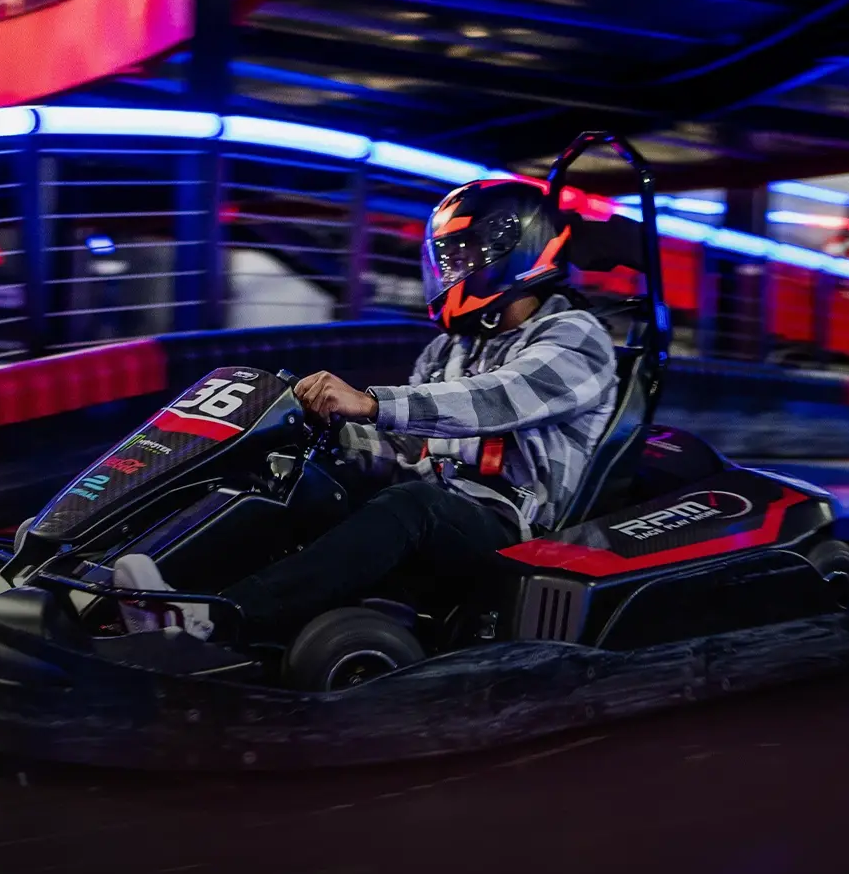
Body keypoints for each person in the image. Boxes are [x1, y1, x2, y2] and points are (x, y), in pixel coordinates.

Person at [113, 178, 620, 640]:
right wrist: (318, 432)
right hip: (439, 498)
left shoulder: (576, 336)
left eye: (465, 255)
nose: (452, 270)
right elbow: (407, 448)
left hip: (514, 528)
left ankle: (218, 624)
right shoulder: (451, 349)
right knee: (294, 478)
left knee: (414, 506)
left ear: (516, 248)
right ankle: (159, 592)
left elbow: (495, 399)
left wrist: (371, 403)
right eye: (448, 258)